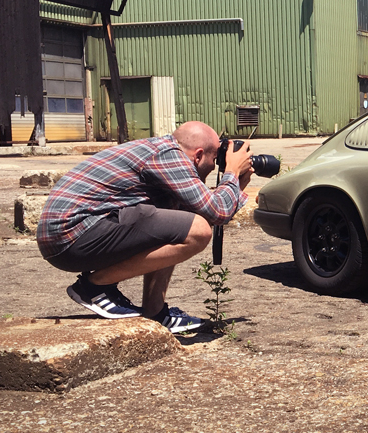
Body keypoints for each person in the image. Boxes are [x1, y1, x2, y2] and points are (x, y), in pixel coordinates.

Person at [36, 121, 254, 332]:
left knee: (179, 222)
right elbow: (216, 212)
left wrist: (235, 186)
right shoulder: (169, 156)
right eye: (214, 159)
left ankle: (155, 312)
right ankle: (94, 287)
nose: (214, 166)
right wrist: (232, 172)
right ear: (198, 155)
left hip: (69, 236)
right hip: (71, 235)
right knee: (197, 231)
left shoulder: (161, 150)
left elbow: (204, 211)